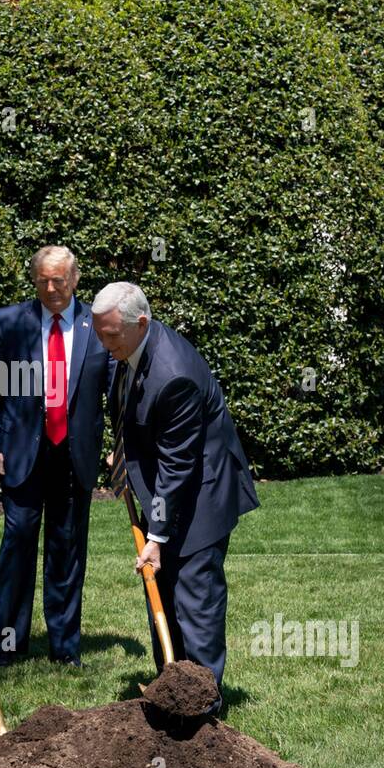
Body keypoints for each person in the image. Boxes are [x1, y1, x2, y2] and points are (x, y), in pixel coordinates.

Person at [91, 281, 260, 712]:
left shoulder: (174, 374)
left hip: (201, 496)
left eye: (110, 335)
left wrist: (157, 536)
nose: (103, 343)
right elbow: (135, 415)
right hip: (168, 488)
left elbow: (178, 464)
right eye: (99, 333)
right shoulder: (130, 348)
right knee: (162, 594)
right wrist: (124, 454)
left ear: (141, 322)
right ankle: (171, 692)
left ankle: (204, 712)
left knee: (194, 601)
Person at [0, 246, 111, 667]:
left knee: (67, 551)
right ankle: (8, 646)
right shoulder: (9, 322)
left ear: (75, 279)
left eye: (59, 280)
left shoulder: (99, 323)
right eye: (43, 281)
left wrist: (121, 447)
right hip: (22, 453)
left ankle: (65, 649)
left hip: (75, 456)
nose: (52, 289)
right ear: (34, 281)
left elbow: (116, 392)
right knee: (17, 547)